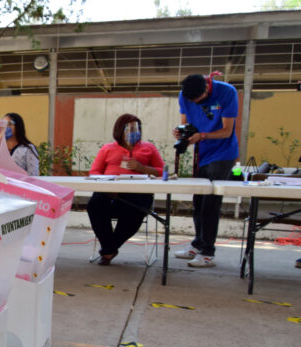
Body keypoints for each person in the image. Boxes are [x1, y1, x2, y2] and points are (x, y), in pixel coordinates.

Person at [173, 72, 239, 268]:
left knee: (211, 203)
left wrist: (202, 136)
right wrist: (181, 132)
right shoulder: (184, 95)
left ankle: (208, 252)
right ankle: (198, 244)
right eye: (190, 99)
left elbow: (227, 131)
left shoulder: (227, 92)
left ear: (207, 88)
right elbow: (187, 123)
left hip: (223, 154)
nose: (193, 102)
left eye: (198, 99)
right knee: (198, 200)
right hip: (202, 154)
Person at [87, 114, 164, 265]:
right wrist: (108, 185)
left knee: (135, 211)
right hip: (109, 192)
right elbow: (94, 171)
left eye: (137, 128)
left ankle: (108, 249)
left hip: (137, 194)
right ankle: (109, 249)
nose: (134, 132)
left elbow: (162, 171)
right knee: (94, 205)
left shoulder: (149, 148)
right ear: (120, 130)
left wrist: (142, 168)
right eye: (129, 129)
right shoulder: (107, 149)